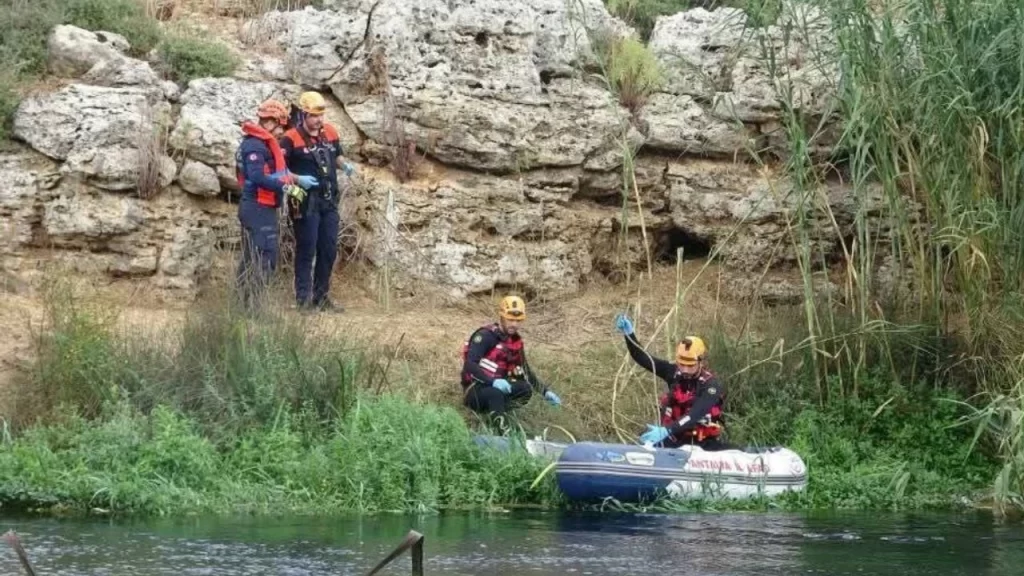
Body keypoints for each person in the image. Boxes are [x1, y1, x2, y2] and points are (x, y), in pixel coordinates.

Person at [234, 99, 318, 311]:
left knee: (252, 257)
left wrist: (297, 180)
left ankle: (241, 308)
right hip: (257, 207)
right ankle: (254, 308)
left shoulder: (264, 143)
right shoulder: (254, 145)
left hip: (263, 207)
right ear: (269, 122)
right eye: (280, 125)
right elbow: (257, 176)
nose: (282, 131)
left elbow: (277, 171)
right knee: (264, 257)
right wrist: (288, 189)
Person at [281, 90, 357, 312]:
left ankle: (321, 297)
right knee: (307, 248)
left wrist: (345, 166)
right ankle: (303, 299)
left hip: (329, 199)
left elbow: (337, 154)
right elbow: (280, 168)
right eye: (314, 115)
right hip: (304, 201)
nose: (319, 120)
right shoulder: (290, 138)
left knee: (328, 249)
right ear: (303, 114)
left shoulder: (330, 132)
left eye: (321, 115)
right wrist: (297, 179)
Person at [614, 312, 729, 450]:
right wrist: (629, 335)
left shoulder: (711, 386)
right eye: (681, 364)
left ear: (701, 362)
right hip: (674, 439)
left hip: (701, 444)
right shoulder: (674, 372)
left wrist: (666, 430)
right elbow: (643, 358)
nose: (685, 370)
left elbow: (695, 414)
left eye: (690, 365)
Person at [461, 296, 562, 422]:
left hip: (496, 387)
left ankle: (498, 415)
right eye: (510, 319)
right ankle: (501, 430)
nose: (514, 324)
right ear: (501, 316)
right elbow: (470, 365)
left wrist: (545, 392)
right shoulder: (485, 336)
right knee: (495, 394)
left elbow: (525, 370)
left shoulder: (515, 342)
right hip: (475, 390)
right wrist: (492, 382)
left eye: (518, 321)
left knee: (525, 389)